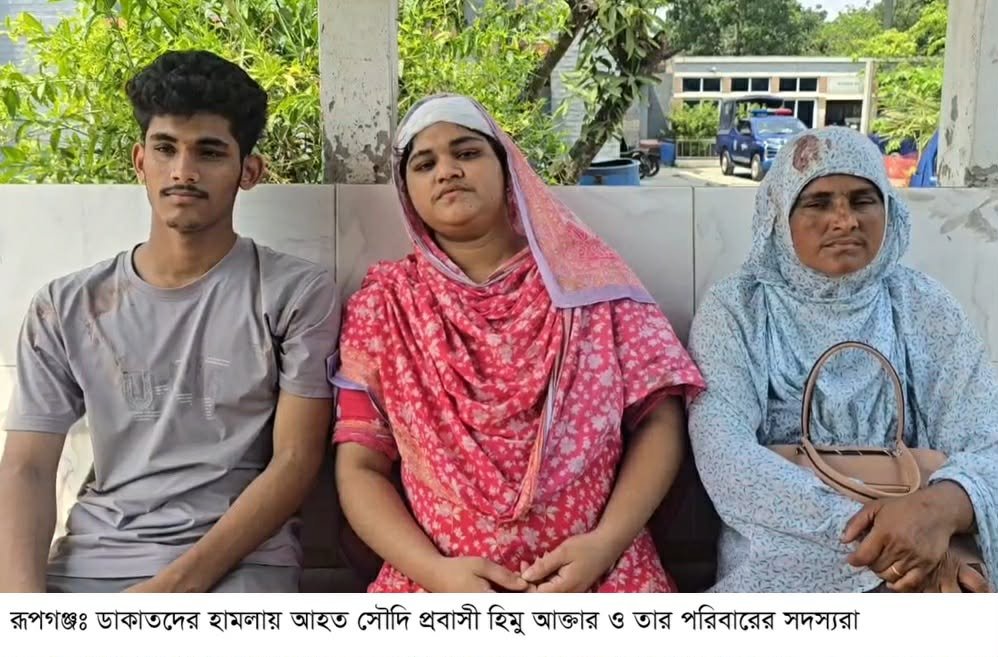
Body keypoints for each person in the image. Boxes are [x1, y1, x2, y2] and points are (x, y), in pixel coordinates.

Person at [331, 94, 704, 593]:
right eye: (424, 164)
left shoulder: (589, 284)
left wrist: (605, 544)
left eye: (467, 153)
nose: (447, 171)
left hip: (606, 573)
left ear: (507, 169)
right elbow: (360, 464)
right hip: (438, 582)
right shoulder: (385, 306)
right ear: (406, 192)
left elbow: (660, 421)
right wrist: (435, 572)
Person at [0, 50, 339, 593]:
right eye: (165, 148)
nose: (183, 171)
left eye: (209, 151)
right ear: (140, 161)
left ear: (249, 171)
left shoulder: (294, 293)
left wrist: (171, 591)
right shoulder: (65, 306)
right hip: (92, 562)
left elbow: (295, 460)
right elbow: (27, 468)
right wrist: (22, 613)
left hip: (238, 568)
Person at [687, 126, 998, 593]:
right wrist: (892, 539)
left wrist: (939, 510)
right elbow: (724, 457)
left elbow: (987, 436)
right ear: (779, 215)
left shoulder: (921, 304)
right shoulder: (738, 310)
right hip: (785, 561)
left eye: (862, 200)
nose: (845, 221)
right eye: (817, 203)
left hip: (929, 555)